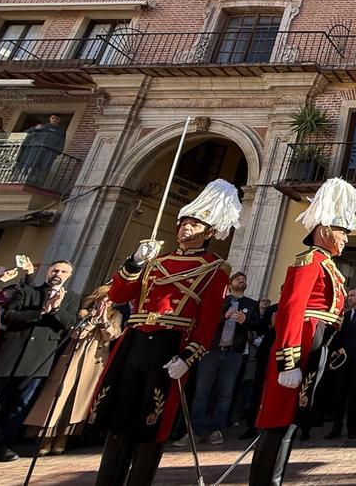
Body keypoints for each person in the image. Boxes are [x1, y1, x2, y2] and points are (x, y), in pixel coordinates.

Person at [91, 179, 241, 486]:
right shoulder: (154, 261)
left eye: (195, 224)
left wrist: (190, 355)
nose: (186, 228)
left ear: (209, 232)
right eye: (184, 222)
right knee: (119, 417)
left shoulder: (215, 268)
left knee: (152, 421)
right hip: (134, 340)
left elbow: (209, 319)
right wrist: (134, 262)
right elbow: (120, 294)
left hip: (171, 343)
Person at [251, 178, 356, 485]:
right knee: (277, 422)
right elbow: (292, 311)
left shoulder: (329, 266)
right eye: (342, 232)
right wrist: (288, 361)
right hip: (298, 351)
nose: (346, 239)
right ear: (324, 231)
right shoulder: (309, 261)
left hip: (315, 349)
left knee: (292, 422)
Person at [0, 260, 79, 464]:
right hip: (11, 353)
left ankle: (5, 447)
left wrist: (56, 310)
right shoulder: (27, 292)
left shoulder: (71, 298)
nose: (58, 274)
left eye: (64, 272)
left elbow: (71, 324)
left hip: (39, 357)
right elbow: (9, 316)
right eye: (55, 270)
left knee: (20, 405)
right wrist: (41, 311)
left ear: (69, 275)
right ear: (48, 271)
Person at [23, 283, 122, 455]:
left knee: (80, 399)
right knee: (58, 396)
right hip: (73, 358)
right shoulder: (83, 313)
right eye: (103, 298)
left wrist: (104, 320)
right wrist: (92, 319)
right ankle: (46, 438)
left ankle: (64, 438)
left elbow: (112, 336)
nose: (106, 302)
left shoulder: (115, 315)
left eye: (109, 299)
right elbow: (76, 334)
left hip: (94, 362)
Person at [181, 271, 260, 446]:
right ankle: (195, 430)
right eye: (238, 279)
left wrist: (245, 322)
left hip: (234, 353)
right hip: (212, 350)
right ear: (230, 284)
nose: (242, 281)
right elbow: (206, 321)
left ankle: (216, 430)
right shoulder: (219, 301)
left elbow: (258, 325)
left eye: (244, 279)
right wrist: (223, 317)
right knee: (202, 391)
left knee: (226, 392)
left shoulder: (251, 304)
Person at [323, 287, 356, 440]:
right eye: (348, 296)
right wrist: (335, 350)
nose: (349, 298)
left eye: (352, 295)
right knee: (339, 393)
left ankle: (352, 428)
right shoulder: (345, 316)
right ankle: (336, 427)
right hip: (344, 361)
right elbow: (339, 336)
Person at [241, 299, 279, 440]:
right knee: (258, 389)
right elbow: (261, 327)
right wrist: (270, 325)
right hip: (266, 352)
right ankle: (253, 426)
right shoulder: (273, 309)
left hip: (283, 354)